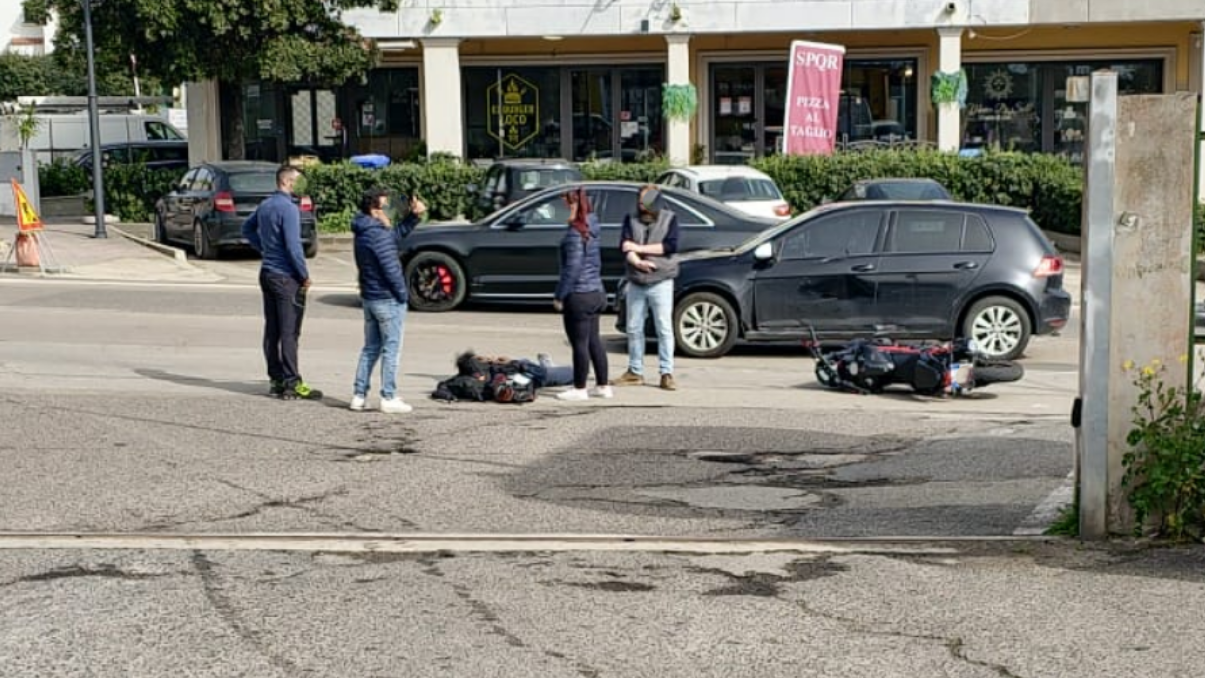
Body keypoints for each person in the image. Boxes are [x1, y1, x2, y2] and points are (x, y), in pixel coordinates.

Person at [241, 165, 321, 400]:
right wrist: (303, 275)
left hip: (268, 273)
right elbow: (293, 247)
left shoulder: (266, 205)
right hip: (286, 277)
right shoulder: (289, 209)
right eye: (298, 180)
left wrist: (265, 249)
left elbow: (247, 228)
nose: (302, 185)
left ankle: (276, 378)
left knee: (273, 329)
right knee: (289, 331)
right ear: (287, 182)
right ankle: (291, 382)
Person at [350, 187, 426, 413]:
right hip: (387, 298)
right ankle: (388, 396)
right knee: (391, 349)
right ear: (375, 210)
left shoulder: (366, 229)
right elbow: (391, 269)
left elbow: (395, 235)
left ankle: (359, 395)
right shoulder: (378, 234)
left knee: (371, 348)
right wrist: (403, 296)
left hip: (370, 297)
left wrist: (413, 217)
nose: (390, 212)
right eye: (386, 206)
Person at [613, 185, 681, 391]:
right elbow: (625, 245)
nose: (643, 206)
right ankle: (635, 371)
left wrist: (639, 248)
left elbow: (669, 246)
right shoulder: (631, 219)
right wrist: (637, 262)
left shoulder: (670, 219)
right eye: (641, 201)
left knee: (664, 328)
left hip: (661, 280)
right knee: (634, 327)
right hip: (636, 280)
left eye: (648, 201)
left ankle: (666, 373)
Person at [553, 187, 611, 401]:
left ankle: (580, 388)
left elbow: (573, 268)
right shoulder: (593, 227)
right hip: (596, 291)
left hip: (579, 294)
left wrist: (560, 295)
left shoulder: (574, 234)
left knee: (579, 343)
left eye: (567, 205)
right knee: (594, 340)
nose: (564, 210)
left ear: (574, 205)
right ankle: (603, 386)